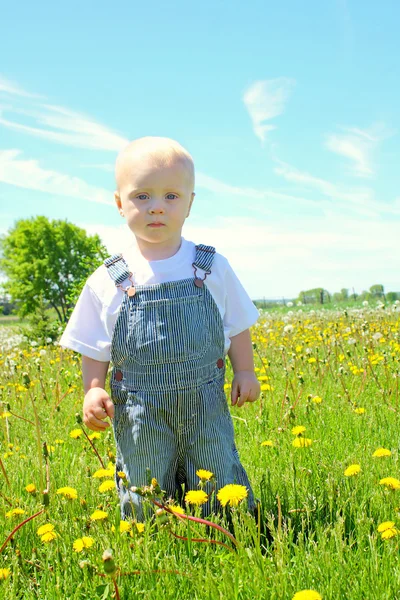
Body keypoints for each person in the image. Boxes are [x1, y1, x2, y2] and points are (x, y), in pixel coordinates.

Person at [60, 136, 261, 520]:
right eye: (142, 196)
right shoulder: (109, 278)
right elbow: (94, 345)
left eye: (171, 196)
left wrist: (246, 370)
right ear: (120, 203)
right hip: (139, 407)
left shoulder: (211, 266)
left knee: (217, 467)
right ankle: (150, 533)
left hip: (204, 400)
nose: (156, 207)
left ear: (189, 203)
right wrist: (93, 389)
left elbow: (237, 324)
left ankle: (229, 526)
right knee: (145, 477)